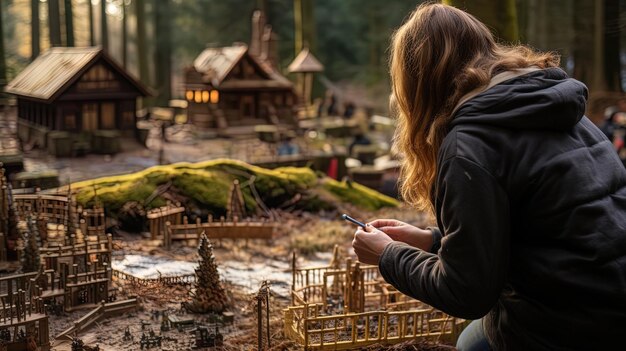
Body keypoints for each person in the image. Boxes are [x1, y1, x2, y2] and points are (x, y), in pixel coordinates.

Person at [351, 4, 626, 351]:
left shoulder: (470, 143)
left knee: (470, 342)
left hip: (575, 323)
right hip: (610, 298)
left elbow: (466, 292)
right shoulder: (553, 103)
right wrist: (430, 241)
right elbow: (549, 226)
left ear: (416, 80)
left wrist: (388, 255)